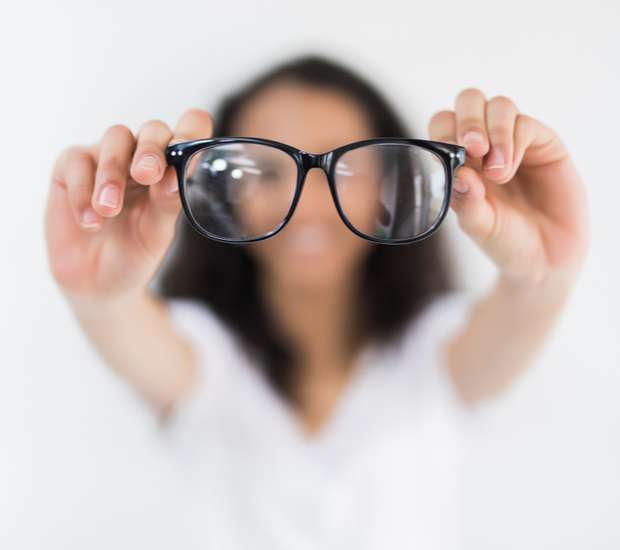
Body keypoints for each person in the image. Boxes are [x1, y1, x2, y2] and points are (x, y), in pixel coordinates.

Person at [44, 54, 590, 548]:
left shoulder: (433, 355)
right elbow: (120, 320)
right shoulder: (205, 358)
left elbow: (528, 298)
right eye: (264, 171)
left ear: (389, 183)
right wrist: (98, 295)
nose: (306, 206)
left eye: (347, 167)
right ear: (222, 191)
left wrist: (547, 270)